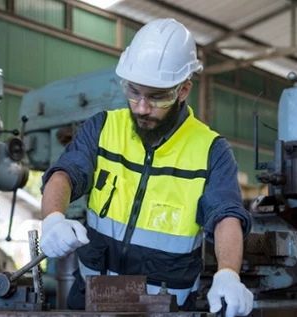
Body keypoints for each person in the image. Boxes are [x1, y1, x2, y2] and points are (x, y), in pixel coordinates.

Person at [39, 18, 253, 317]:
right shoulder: (103, 128)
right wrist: (52, 218)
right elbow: (65, 173)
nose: (141, 107)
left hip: (168, 308)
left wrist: (228, 274)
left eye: (156, 97)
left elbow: (226, 215)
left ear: (183, 90)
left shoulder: (211, 150)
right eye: (134, 92)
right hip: (93, 301)